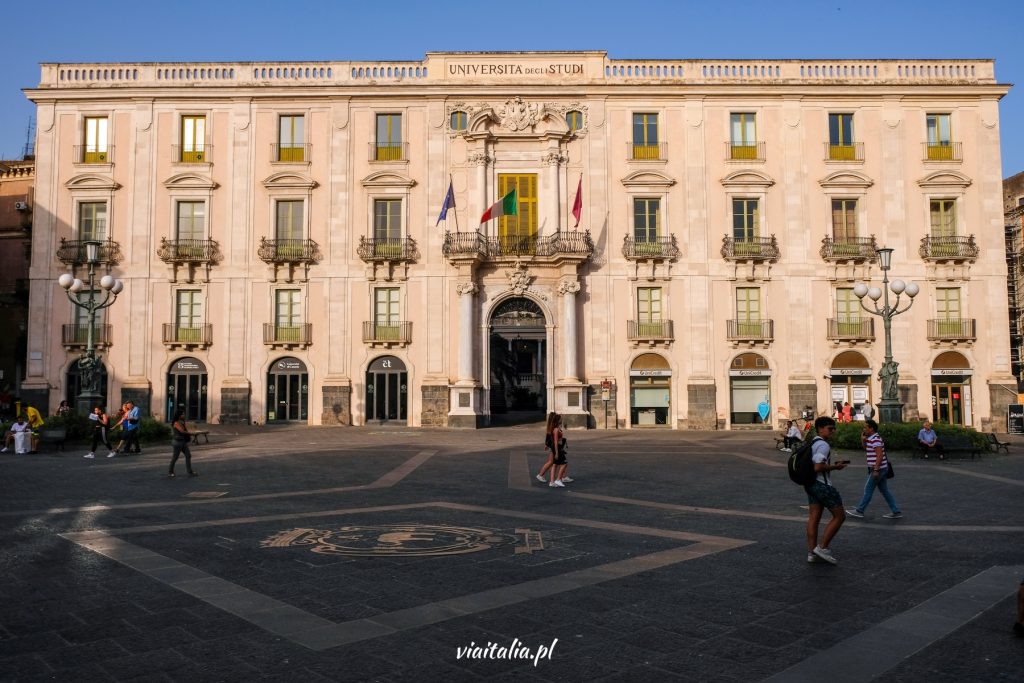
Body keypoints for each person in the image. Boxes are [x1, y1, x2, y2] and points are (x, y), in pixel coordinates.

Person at [804, 416, 848, 565]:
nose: (833, 431)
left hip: (810, 484)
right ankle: (823, 547)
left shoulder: (813, 442)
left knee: (813, 518)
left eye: (833, 428)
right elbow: (818, 467)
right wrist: (836, 467)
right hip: (822, 484)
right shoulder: (823, 445)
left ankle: (811, 553)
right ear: (820, 428)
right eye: (830, 428)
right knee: (840, 516)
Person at [846, 419, 902, 519]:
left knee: (868, 489)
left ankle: (860, 510)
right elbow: (866, 448)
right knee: (884, 490)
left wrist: (876, 470)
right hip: (881, 468)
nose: (864, 429)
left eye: (865, 427)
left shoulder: (875, 439)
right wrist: (862, 439)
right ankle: (896, 510)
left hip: (878, 469)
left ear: (871, 428)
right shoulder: (871, 438)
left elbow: (879, 455)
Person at [168, 409, 197, 478]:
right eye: (183, 414)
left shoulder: (182, 422)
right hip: (177, 442)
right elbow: (182, 431)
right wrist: (191, 433)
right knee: (175, 457)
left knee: (188, 455)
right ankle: (170, 472)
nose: (184, 415)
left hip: (183, 441)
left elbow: (184, 431)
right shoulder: (176, 423)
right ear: (179, 415)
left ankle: (190, 471)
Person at [536, 412, 558, 483]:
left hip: (551, 446)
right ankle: (541, 474)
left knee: (552, 462)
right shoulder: (554, 428)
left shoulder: (550, 427)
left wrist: (546, 445)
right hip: (553, 447)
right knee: (551, 462)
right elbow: (550, 437)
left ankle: (558, 477)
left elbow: (548, 436)